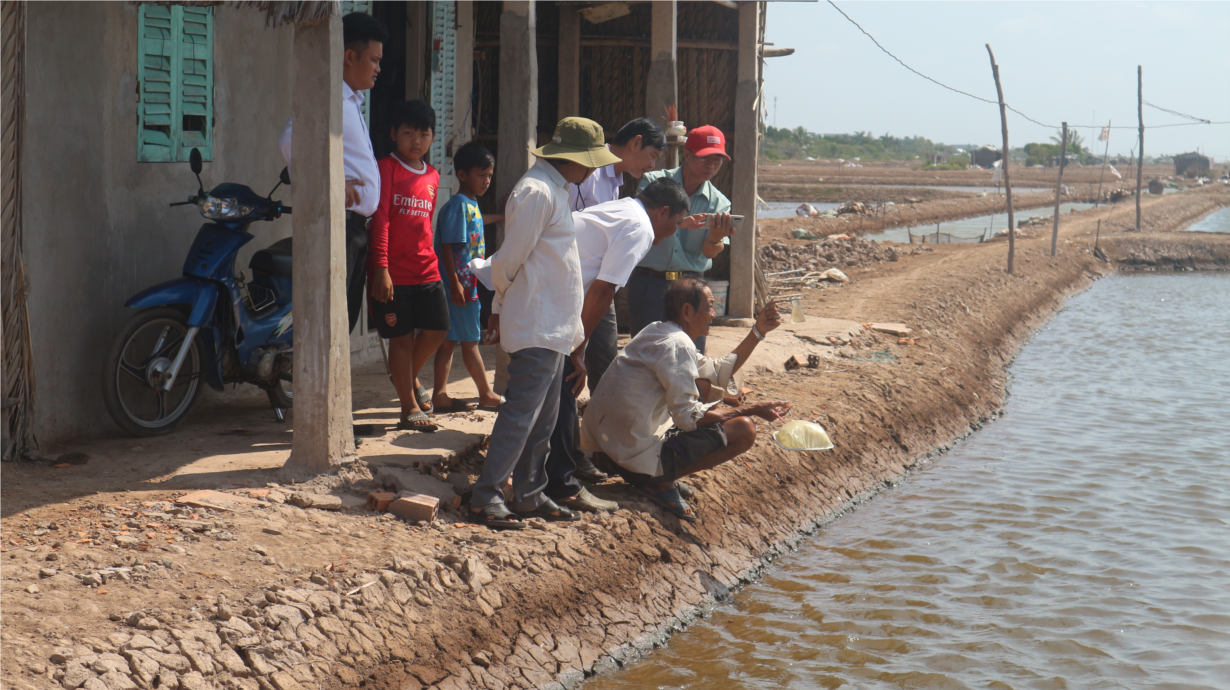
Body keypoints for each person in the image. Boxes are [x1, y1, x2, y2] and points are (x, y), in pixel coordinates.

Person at [468, 117, 621, 530]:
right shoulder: (536, 191)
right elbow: (510, 261)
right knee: (521, 413)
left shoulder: (555, 189)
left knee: (544, 417)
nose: (592, 171)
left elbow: (558, 268)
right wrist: (499, 306)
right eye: (590, 162)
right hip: (536, 320)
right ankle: (486, 496)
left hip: (553, 323)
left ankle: (530, 493)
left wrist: (573, 337)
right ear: (573, 159)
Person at [581, 278, 791, 522]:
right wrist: (753, 409)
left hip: (606, 450)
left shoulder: (659, 331)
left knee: (705, 387)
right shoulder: (677, 345)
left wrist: (758, 331)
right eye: (710, 306)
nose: (713, 314)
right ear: (687, 311)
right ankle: (659, 482)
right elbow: (688, 418)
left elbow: (717, 370)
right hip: (629, 458)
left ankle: (658, 474)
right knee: (744, 429)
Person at [545, 178, 693, 513]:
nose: (675, 231)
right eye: (677, 223)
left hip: (550, 291)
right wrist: (578, 349)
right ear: (664, 211)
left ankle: (561, 474)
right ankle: (563, 483)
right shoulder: (640, 228)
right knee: (566, 385)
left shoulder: (623, 209)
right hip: (551, 298)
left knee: (556, 389)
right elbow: (601, 292)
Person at [279, 12, 386, 334]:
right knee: (330, 324)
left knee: (344, 321)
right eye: (374, 60)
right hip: (339, 225)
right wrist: (333, 183)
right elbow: (289, 139)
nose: (379, 68)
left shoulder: (351, 100)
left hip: (355, 228)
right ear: (350, 57)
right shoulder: (331, 98)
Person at [367, 100, 448, 433]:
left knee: (438, 329)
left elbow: (425, 224)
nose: (416, 140)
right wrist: (381, 268)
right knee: (400, 339)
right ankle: (407, 407)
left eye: (424, 134)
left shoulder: (433, 175)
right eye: (408, 133)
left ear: (432, 138)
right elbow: (381, 219)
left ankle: (407, 378)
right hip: (393, 275)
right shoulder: (386, 168)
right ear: (394, 135)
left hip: (427, 269)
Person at [630, 125, 736, 353]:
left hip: (692, 288)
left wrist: (716, 238)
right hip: (649, 283)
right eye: (705, 158)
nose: (712, 165)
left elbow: (709, 253)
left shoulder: (719, 203)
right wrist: (679, 223)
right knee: (644, 355)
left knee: (690, 356)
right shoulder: (653, 181)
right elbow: (637, 225)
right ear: (687, 154)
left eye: (718, 160)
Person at [430, 142, 504, 414]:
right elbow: (448, 246)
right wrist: (455, 283)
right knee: (471, 341)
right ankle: (486, 393)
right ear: (462, 175)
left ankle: (439, 395)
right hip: (461, 289)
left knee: (449, 342)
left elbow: (479, 222)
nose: (486, 181)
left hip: (466, 286)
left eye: (489, 175)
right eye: (481, 175)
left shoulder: (469, 205)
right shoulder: (457, 206)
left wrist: (506, 216)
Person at [569, 117, 666, 212]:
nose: (652, 165)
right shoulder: (588, 169)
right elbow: (560, 218)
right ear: (636, 143)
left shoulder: (615, 177)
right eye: (653, 156)